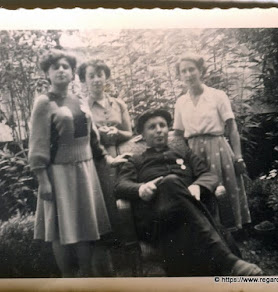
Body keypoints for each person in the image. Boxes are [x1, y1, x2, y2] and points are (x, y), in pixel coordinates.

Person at [115, 109, 262, 276]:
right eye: (152, 127)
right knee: (170, 182)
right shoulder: (136, 161)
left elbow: (208, 174)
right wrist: (140, 189)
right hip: (157, 217)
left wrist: (198, 186)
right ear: (142, 134)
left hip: (187, 216)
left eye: (162, 125)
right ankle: (229, 262)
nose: (159, 130)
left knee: (181, 204)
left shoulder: (184, 153)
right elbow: (120, 185)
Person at [29, 49, 126, 277]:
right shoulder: (44, 103)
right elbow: (38, 144)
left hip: (85, 171)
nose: (61, 70)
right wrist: (43, 180)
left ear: (73, 73)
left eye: (66, 67)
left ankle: (87, 276)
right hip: (59, 174)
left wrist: (108, 159)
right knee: (61, 230)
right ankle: (68, 279)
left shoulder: (79, 101)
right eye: (56, 67)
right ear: (47, 74)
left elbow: (93, 138)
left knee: (84, 227)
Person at [173, 53, 251, 231]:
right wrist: (182, 156)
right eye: (183, 71)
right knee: (200, 189)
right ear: (179, 75)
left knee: (223, 187)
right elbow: (177, 133)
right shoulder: (181, 102)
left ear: (201, 70)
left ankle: (231, 228)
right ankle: (209, 230)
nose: (188, 74)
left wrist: (238, 157)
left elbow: (231, 127)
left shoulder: (217, 96)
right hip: (193, 151)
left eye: (191, 69)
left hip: (217, 148)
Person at [77, 59, 133, 275]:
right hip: (97, 160)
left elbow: (130, 132)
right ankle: (109, 262)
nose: (96, 79)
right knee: (105, 208)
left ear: (106, 77)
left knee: (124, 205)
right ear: (84, 80)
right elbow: (82, 137)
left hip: (119, 156)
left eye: (100, 74)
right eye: (91, 75)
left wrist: (117, 134)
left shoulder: (118, 104)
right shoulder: (82, 108)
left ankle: (129, 255)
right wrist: (100, 134)